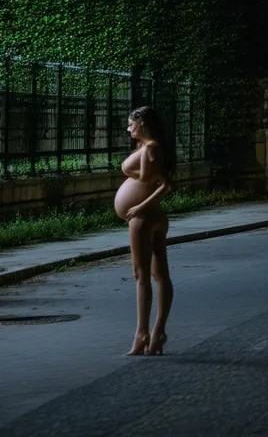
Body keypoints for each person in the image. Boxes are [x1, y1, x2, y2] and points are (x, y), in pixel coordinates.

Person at [114, 105, 175, 356]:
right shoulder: (149, 148)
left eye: (131, 124)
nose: (128, 128)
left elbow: (165, 186)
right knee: (160, 275)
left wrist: (139, 206)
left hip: (144, 219)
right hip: (154, 217)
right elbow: (151, 179)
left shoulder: (150, 148)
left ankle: (142, 334)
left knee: (141, 276)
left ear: (143, 123)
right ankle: (158, 332)